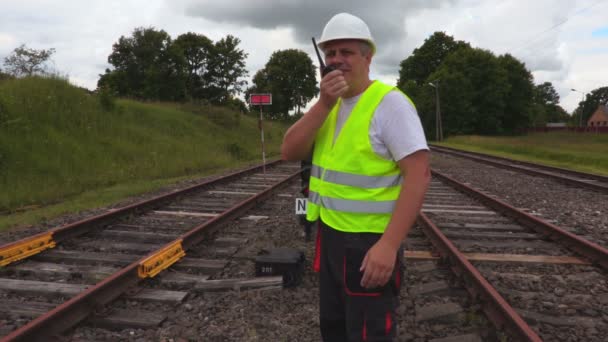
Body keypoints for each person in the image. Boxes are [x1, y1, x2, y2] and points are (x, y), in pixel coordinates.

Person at [281, 12, 430, 341]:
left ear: (368, 57)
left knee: (368, 333)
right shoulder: (329, 106)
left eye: (346, 52)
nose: (336, 60)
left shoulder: (389, 105)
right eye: (330, 53)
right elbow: (289, 151)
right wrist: (323, 103)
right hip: (331, 236)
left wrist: (389, 246)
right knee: (334, 329)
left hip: (369, 242)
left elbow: (418, 176)